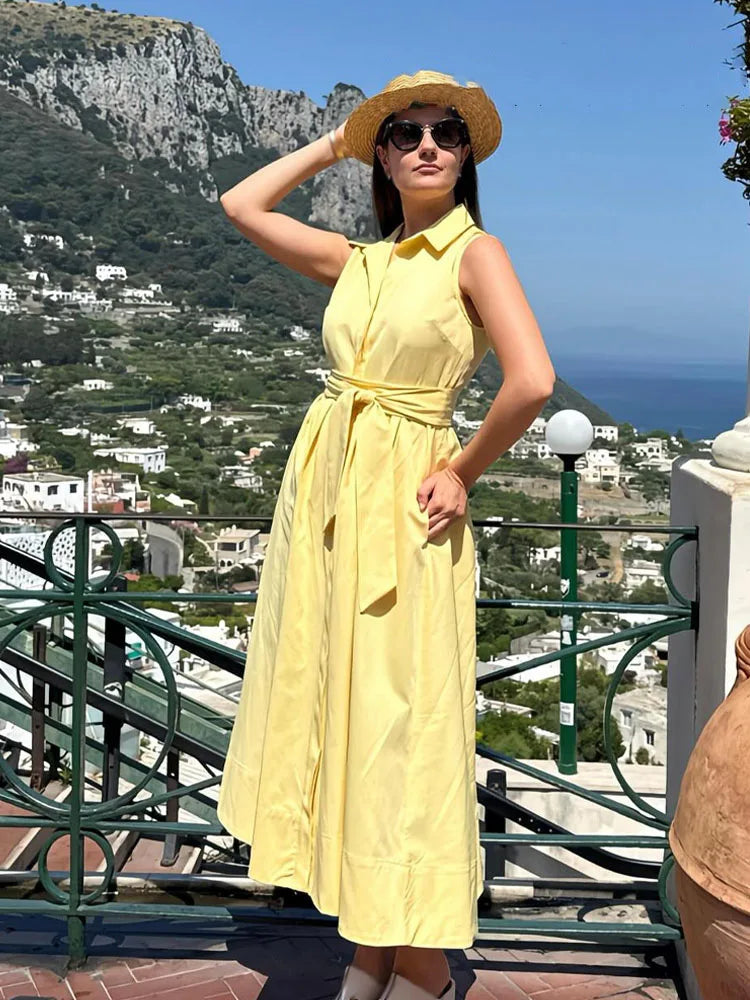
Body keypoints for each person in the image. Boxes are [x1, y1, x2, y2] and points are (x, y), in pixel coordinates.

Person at [216, 69, 555, 1000]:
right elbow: (239, 202)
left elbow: (531, 381)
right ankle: (373, 947)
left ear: (468, 152)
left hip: (406, 507)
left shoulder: (474, 254)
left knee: (401, 728)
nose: (427, 147)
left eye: (445, 133)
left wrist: (460, 469)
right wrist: (335, 139)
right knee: (345, 710)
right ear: (384, 155)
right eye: (403, 135)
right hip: (328, 502)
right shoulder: (360, 262)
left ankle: (422, 966)